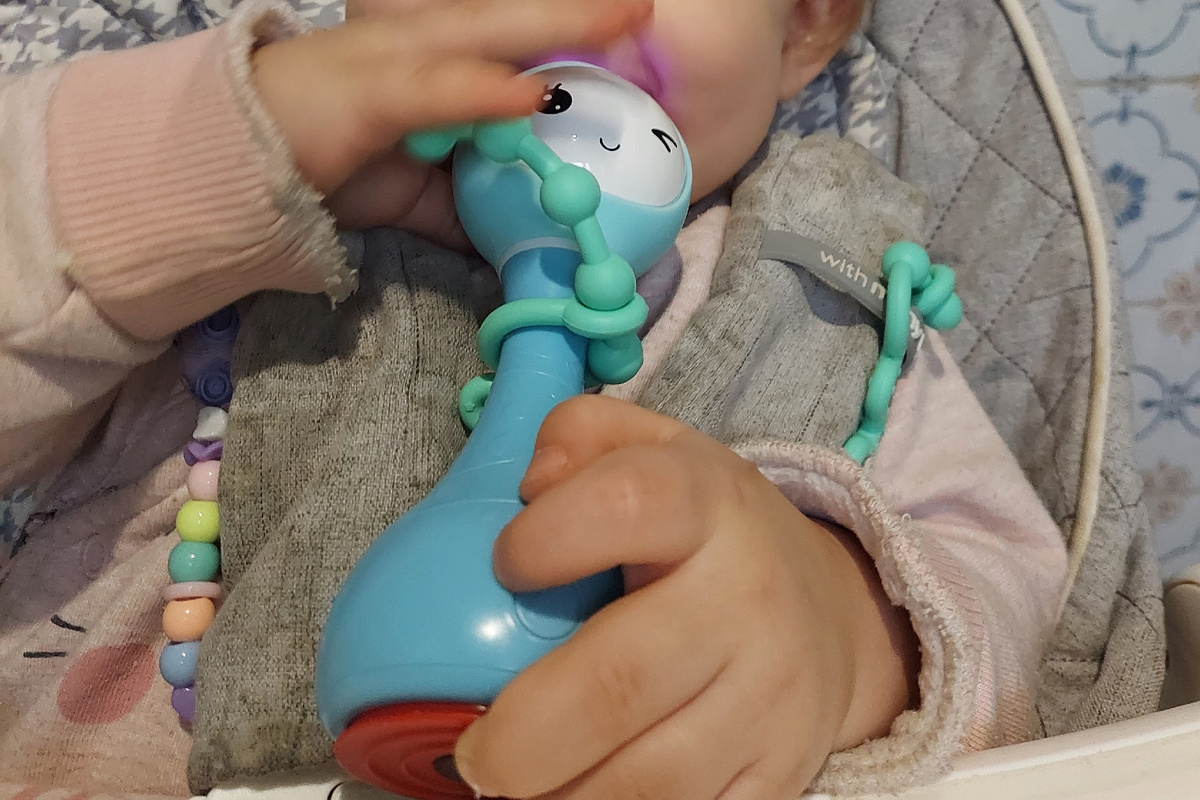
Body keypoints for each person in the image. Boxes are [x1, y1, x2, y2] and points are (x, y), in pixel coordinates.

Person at [0, 0, 1068, 798]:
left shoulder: (837, 300)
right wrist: (208, 161)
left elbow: (1020, 596)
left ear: (802, 26)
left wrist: (846, 632)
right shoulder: (237, 234)